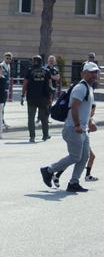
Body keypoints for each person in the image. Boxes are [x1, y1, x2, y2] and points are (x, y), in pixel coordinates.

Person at [41, 62, 98, 193]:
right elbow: (75, 107)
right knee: (75, 157)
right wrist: (77, 125)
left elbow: (86, 109)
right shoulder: (81, 88)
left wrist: (89, 122)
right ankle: (48, 170)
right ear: (83, 73)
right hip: (73, 128)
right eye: (91, 72)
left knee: (84, 157)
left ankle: (73, 182)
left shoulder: (89, 88)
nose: (94, 74)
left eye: (95, 72)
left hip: (82, 129)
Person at [23, 55, 52, 142]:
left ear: (34, 61)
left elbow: (25, 84)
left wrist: (22, 95)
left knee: (31, 118)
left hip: (31, 97)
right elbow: (50, 85)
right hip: (43, 97)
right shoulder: (46, 71)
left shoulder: (29, 71)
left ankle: (32, 137)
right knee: (44, 117)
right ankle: (45, 135)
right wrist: (50, 98)